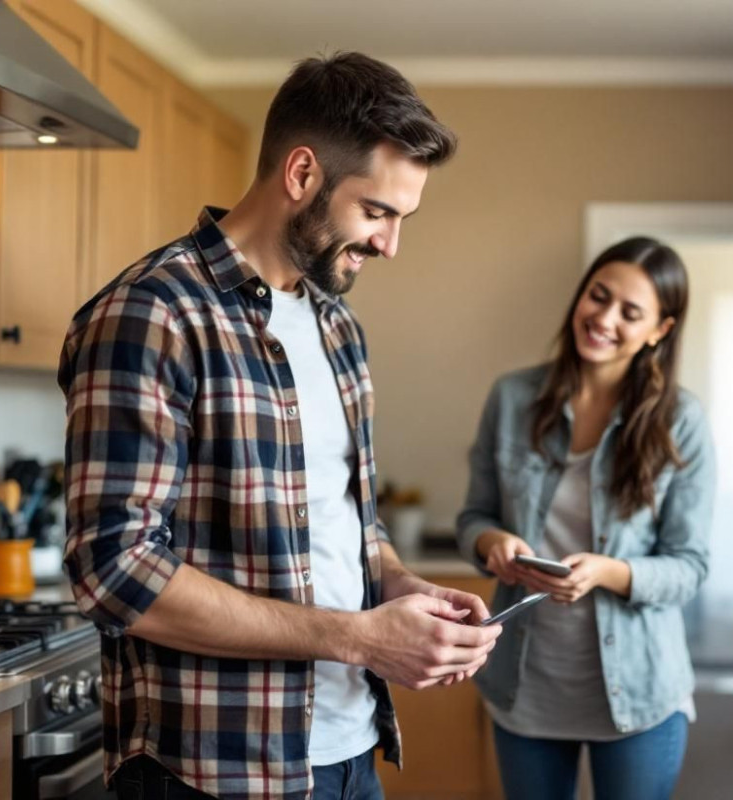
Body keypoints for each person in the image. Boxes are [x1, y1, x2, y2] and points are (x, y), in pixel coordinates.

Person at [58, 52, 501, 800]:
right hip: (211, 771)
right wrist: (356, 636)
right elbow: (113, 571)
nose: (391, 244)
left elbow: (345, 519)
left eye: (402, 218)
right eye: (377, 212)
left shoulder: (337, 327)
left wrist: (400, 588)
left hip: (352, 753)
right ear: (301, 175)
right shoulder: (152, 314)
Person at [456, 236, 715, 800]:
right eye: (597, 296)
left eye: (630, 312)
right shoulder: (511, 398)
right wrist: (491, 541)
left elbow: (690, 566)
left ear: (660, 331)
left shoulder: (682, 420)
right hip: (526, 688)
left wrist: (607, 572)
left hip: (640, 694)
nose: (603, 318)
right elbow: (472, 518)